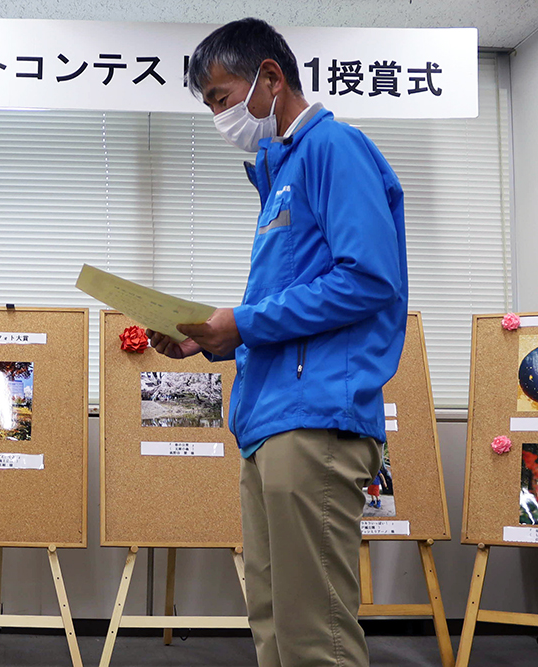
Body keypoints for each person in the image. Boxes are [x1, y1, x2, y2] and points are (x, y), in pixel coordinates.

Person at [147, 18, 407, 667]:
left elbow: (368, 279)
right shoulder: (280, 172)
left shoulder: (332, 148)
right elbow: (285, 309)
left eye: (219, 97)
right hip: (270, 421)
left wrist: (243, 323)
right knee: (275, 624)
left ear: (269, 76)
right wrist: (209, 339)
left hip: (316, 419)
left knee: (314, 632)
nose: (217, 115)